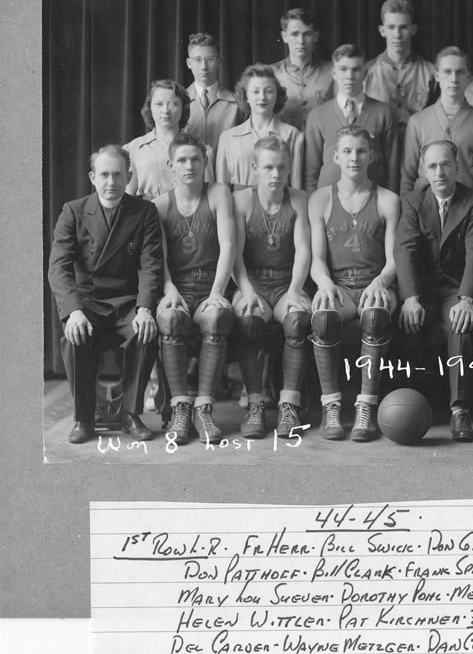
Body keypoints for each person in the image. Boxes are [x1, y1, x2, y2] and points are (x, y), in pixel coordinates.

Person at [48, 145, 163, 443]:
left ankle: (130, 413)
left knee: (144, 332)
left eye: (117, 175)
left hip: (127, 304)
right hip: (88, 305)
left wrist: (145, 308)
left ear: (128, 177)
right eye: (104, 175)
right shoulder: (73, 211)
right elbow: (58, 268)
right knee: (74, 338)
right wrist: (73, 310)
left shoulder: (144, 212)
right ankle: (83, 418)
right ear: (92, 178)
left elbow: (150, 266)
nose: (111, 182)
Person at [308, 126, 401, 441]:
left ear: (371, 156)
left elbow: (394, 259)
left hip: (377, 284)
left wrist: (382, 281)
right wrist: (323, 284)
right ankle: (331, 405)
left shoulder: (388, 199)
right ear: (335, 157)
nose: (354, 158)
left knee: (375, 315)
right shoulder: (320, 199)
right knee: (322, 316)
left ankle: (366, 407)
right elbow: (317, 259)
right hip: (341, 287)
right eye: (347, 151)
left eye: (361, 151)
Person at [396, 140, 473, 442]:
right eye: (433, 166)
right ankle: (409, 406)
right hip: (423, 287)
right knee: (405, 322)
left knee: (460, 324)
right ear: (424, 170)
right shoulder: (413, 201)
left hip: (455, 285)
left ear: (457, 167)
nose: (440, 172)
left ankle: (459, 409)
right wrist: (410, 298)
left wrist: (467, 299)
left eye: (446, 164)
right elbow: (405, 249)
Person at [153, 132, 236, 445]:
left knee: (217, 318)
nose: (189, 166)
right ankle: (180, 408)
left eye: (195, 159)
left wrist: (218, 291)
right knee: (170, 319)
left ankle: (204, 407)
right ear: (171, 165)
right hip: (177, 288)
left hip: (210, 285)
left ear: (205, 162)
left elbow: (228, 245)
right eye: (182, 160)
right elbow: (156, 259)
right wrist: (168, 289)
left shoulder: (218, 194)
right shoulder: (160, 205)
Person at [232, 136, 312, 439]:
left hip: (285, 283)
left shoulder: (300, 199)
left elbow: (303, 249)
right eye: (268, 168)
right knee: (247, 319)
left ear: (289, 167)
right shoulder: (240, 200)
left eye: (281, 168)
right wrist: (247, 291)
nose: (275, 175)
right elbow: (234, 253)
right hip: (251, 283)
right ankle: (255, 402)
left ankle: (289, 404)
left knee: (297, 320)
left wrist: (295, 290)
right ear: (255, 168)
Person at [401, 47, 473, 198]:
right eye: (447, 72)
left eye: (460, 72)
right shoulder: (417, 122)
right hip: (425, 210)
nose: (453, 79)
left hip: (471, 211)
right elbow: (407, 176)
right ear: (437, 76)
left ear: (468, 76)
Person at [305, 44, 399, 192]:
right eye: (343, 69)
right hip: (329, 200)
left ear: (365, 72)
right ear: (334, 73)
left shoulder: (383, 112)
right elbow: (311, 170)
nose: (349, 76)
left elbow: (393, 167)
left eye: (356, 69)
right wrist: (312, 204)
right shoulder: (318, 115)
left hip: (373, 199)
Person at [216, 64, 304, 190]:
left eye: (268, 91)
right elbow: (221, 189)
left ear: (277, 95)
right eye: (255, 91)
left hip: (278, 204)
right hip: (239, 206)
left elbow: (296, 189)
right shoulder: (228, 138)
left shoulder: (292, 135)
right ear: (246, 96)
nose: (262, 97)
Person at [125, 79, 215, 200]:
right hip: (148, 215)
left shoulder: (202, 150)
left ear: (183, 107)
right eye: (159, 104)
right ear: (150, 107)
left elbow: (210, 197)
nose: (166, 110)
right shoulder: (133, 149)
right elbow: (126, 198)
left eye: (174, 104)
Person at [363, 0, 435, 139]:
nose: (397, 34)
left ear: (413, 29)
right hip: (378, 153)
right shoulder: (366, 72)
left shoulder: (431, 73)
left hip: (419, 151)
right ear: (382, 30)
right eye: (391, 27)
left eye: (403, 27)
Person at [270, 7, 334, 132]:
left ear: (315, 36)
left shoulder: (333, 72)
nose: (301, 41)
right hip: (283, 146)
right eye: (294, 34)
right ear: (284, 36)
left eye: (307, 34)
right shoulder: (271, 74)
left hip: (321, 146)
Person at [183, 32, 241, 156]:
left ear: (219, 62)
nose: (203, 66)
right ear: (189, 63)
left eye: (210, 59)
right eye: (197, 60)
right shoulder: (179, 103)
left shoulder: (237, 104)